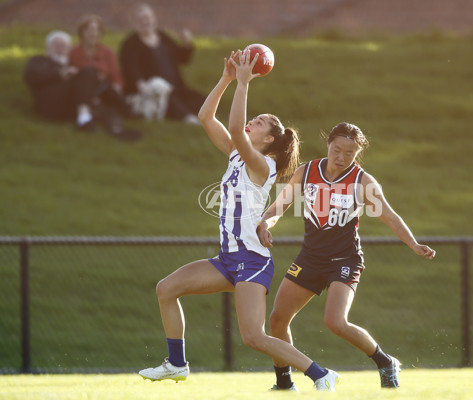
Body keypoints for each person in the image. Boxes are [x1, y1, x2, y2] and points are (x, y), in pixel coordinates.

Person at [137, 50, 340, 392]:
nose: (252, 122)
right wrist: (227, 79)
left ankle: (321, 373)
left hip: (251, 260)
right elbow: (205, 116)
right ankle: (176, 363)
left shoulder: (263, 166)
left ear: (269, 140)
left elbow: (233, 126)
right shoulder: (236, 153)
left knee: (254, 337)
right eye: (254, 118)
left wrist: (244, 83)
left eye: (259, 122)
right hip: (227, 259)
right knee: (166, 289)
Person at [256, 122, 437, 390]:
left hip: (345, 261)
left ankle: (385, 361)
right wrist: (264, 225)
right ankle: (284, 383)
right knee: (277, 319)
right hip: (310, 258)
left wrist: (413, 243)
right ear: (328, 144)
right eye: (337, 150)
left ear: (357, 153)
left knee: (336, 322)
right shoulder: (307, 171)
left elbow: (390, 216)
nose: (341, 158)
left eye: (349, 153)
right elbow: (278, 208)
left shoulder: (362, 181)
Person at [23, 30, 141, 141]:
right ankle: (84, 118)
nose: (60, 49)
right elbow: (31, 77)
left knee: (97, 81)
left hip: (68, 107)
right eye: (57, 45)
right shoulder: (39, 61)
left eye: (64, 46)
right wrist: (60, 74)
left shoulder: (70, 67)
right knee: (88, 72)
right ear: (48, 48)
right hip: (49, 105)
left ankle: (117, 125)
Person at [119, 3, 206, 124]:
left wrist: (187, 44)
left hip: (177, 88)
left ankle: (215, 116)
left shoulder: (163, 37)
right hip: (156, 91)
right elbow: (129, 67)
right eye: (140, 20)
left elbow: (182, 59)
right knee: (171, 101)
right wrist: (138, 82)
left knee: (201, 99)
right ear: (134, 23)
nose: (145, 22)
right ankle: (188, 119)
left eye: (148, 18)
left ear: (154, 19)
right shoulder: (130, 44)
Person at [69, 14, 141, 139]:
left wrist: (117, 87)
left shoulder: (108, 52)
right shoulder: (74, 52)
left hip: (104, 91)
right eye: (89, 30)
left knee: (108, 94)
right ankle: (117, 114)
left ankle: (116, 125)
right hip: (84, 92)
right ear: (82, 32)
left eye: (97, 30)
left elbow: (115, 75)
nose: (93, 34)